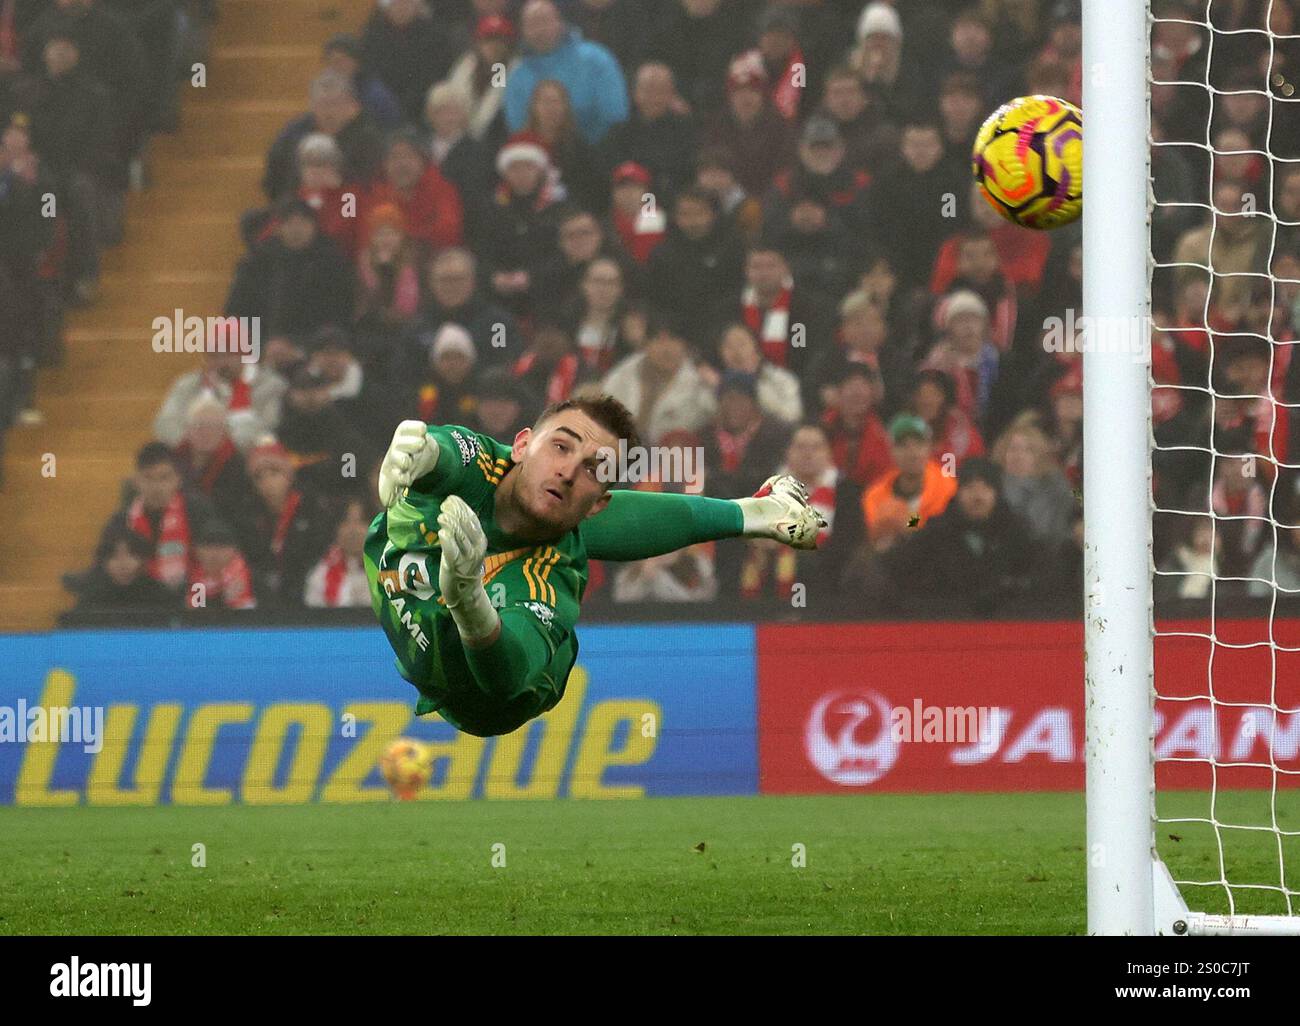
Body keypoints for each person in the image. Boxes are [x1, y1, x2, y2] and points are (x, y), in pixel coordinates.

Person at [366, 391, 826, 737]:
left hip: (483, 699)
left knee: (562, 527)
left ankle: (753, 513)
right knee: (556, 512)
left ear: (602, 499)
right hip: (424, 577)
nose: (567, 470)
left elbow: (503, 679)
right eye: (560, 447)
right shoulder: (479, 461)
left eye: (594, 467)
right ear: (523, 444)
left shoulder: (551, 578)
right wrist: (418, 452)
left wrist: (469, 601)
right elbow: (448, 451)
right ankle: (755, 512)